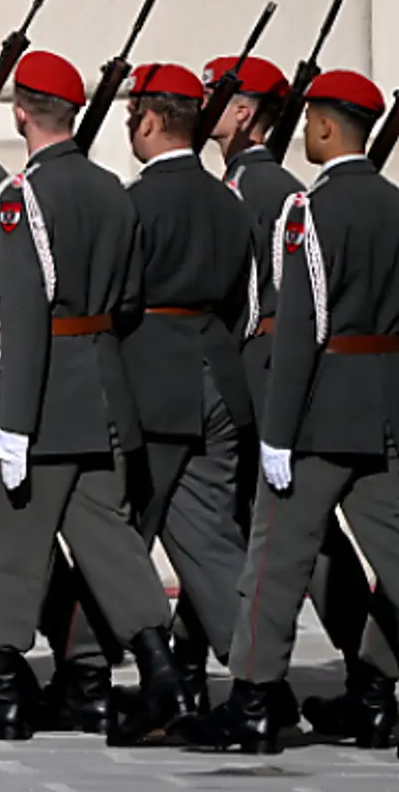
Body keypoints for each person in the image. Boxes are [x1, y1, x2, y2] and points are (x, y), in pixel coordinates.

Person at [0, 50, 189, 745]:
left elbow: (23, 315)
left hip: (41, 398)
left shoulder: (21, 196)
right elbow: (129, 301)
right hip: (104, 392)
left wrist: (13, 422)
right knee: (108, 543)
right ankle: (161, 675)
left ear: (19, 112)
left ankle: (1, 687)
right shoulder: (112, 189)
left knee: (12, 544)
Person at [188, 69, 399, 754]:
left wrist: (277, 433)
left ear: (329, 128)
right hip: (386, 408)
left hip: (319, 414)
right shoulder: (396, 205)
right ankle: (373, 697)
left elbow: (303, 325)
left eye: (311, 122)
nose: (303, 133)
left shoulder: (310, 210)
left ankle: (251, 704)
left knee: (275, 563)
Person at [116, 62, 254, 715]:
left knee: (117, 533)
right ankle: (261, 672)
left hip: (155, 382)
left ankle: (99, 673)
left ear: (149, 119)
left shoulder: (134, 202)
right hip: (219, 373)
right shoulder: (228, 198)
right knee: (210, 536)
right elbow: (243, 300)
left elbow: (116, 301)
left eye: (131, 115)